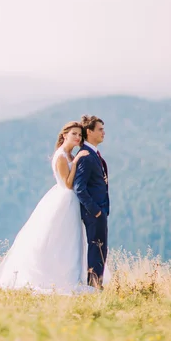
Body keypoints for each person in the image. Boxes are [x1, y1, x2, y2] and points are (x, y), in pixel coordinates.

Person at [0, 121, 95, 294]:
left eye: (79, 135)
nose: (77, 137)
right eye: (74, 134)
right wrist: (77, 161)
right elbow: (68, 184)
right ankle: (57, 278)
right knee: (59, 238)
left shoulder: (69, 154)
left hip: (71, 201)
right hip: (65, 200)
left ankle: (71, 274)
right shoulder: (62, 156)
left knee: (70, 240)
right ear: (65, 135)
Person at [74, 115, 109, 289]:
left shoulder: (93, 154)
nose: (104, 132)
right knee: (97, 247)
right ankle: (94, 286)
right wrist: (95, 210)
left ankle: (96, 284)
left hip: (100, 210)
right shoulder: (86, 157)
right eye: (100, 129)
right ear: (89, 132)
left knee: (101, 248)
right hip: (94, 212)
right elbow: (79, 188)